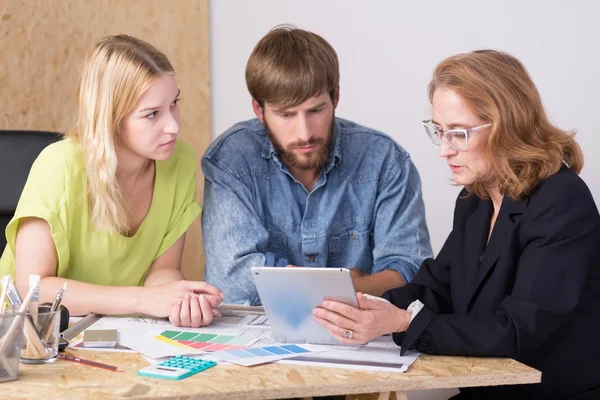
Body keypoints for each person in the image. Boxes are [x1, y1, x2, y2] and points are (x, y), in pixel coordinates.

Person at [313, 50, 600, 399]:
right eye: (439, 131)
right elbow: (436, 289)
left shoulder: (562, 199)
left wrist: (403, 323)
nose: (444, 151)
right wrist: (354, 304)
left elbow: (518, 330)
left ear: (508, 125)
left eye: (459, 134)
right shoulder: (475, 200)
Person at [0, 35, 223, 328]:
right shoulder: (58, 166)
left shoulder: (178, 161)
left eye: (174, 103)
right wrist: (141, 300)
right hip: (27, 340)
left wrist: (178, 299)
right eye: (152, 114)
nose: (173, 126)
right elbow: (34, 291)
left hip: (114, 333)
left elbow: (164, 270)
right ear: (110, 119)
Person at [202, 25, 432, 305]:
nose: (304, 133)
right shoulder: (231, 159)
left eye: (316, 110)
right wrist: (351, 282)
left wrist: (283, 281)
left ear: (335, 97)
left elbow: (410, 272)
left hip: (361, 334)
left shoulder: (385, 161)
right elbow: (231, 280)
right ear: (258, 110)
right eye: (286, 114)